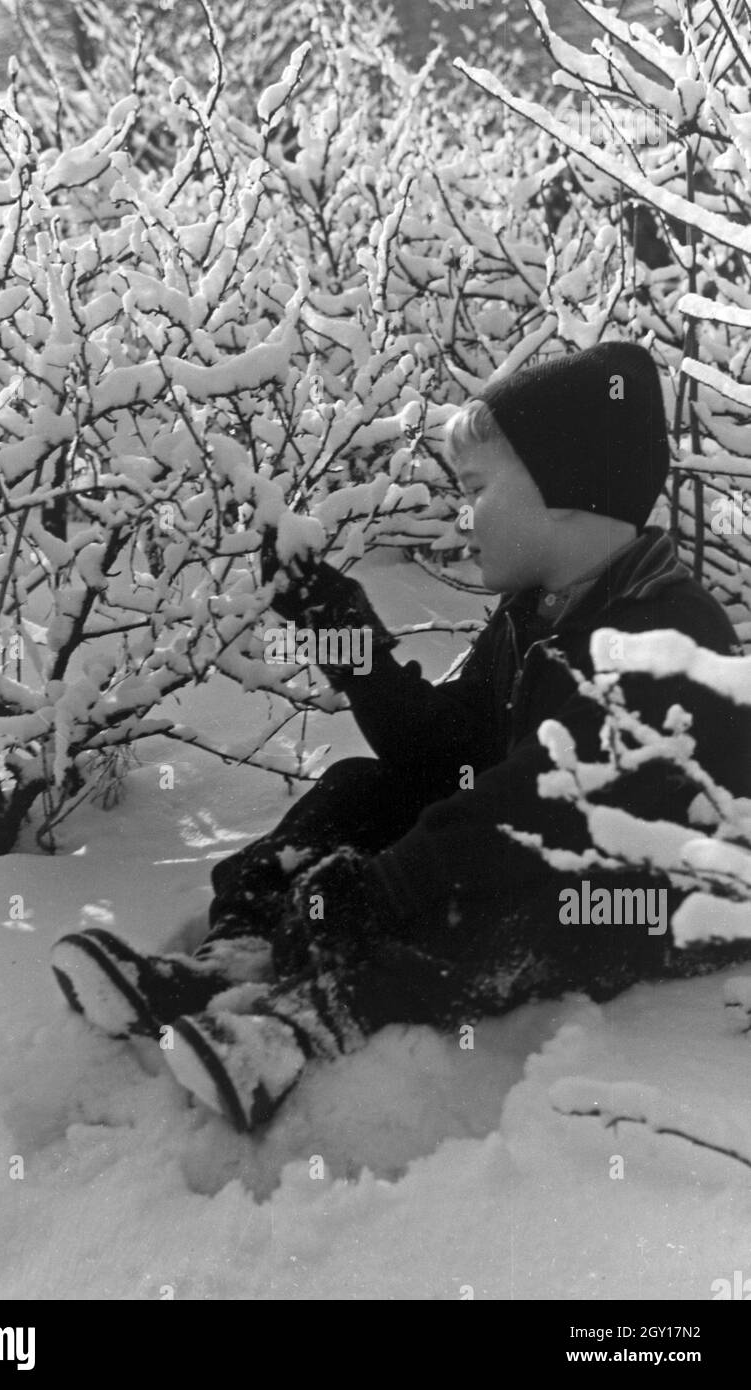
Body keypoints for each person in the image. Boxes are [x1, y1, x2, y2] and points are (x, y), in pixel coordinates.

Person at [51, 341, 751, 1132]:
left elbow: (530, 810)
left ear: (565, 492)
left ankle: (305, 1025)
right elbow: (441, 753)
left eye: (477, 490)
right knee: (364, 788)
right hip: (542, 839)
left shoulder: (665, 633)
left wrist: (382, 890)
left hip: (641, 901)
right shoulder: (537, 613)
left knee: (513, 905)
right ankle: (233, 959)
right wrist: (342, 628)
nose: (463, 514)